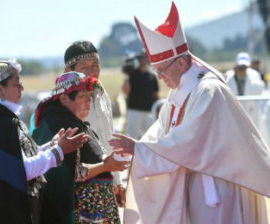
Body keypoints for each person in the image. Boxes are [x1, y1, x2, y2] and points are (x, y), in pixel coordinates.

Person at [109, 2, 270, 224]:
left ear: (182, 63)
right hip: (198, 185)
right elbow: (160, 132)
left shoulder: (209, 90)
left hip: (218, 187)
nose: (159, 77)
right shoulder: (180, 92)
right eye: (156, 71)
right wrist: (137, 149)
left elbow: (188, 141)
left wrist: (140, 149)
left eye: (162, 70)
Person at [0, 59, 88, 224]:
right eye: (16, 84)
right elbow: (20, 170)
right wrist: (58, 152)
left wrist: (51, 146)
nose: (22, 89)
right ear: (0, 89)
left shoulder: (1, 118)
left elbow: (20, 157)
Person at [31, 71, 129, 223]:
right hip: (81, 213)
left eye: (90, 95)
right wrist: (105, 166)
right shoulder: (61, 127)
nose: (89, 100)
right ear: (63, 99)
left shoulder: (73, 122)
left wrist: (109, 182)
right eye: (83, 96)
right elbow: (73, 172)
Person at [62, 41, 126, 205]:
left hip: (106, 182)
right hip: (80, 189)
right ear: (68, 71)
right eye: (85, 67)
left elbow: (109, 138)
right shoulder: (63, 101)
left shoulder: (101, 92)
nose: (92, 71)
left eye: (95, 65)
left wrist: (117, 181)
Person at [122, 51, 159, 139]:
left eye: (145, 58)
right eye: (141, 58)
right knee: (131, 137)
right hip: (134, 112)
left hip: (149, 112)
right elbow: (125, 91)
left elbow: (156, 95)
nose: (143, 60)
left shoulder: (152, 76)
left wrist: (158, 112)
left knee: (150, 139)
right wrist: (127, 75)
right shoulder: (132, 74)